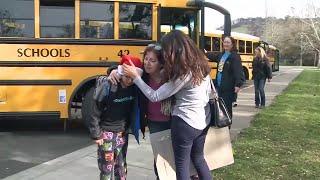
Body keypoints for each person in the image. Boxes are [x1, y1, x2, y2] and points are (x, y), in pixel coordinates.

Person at [122, 30, 213, 180]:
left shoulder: (184, 72)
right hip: (201, 121)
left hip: (184, 123)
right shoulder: (201, 66)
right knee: (199, 159)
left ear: (174, 49)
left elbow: (155, 95)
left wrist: (136, 78)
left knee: (181, 166)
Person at [108, 44, 171, 180]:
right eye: (146, 59)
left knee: (171, 160)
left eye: (152, 60)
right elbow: (126, 65)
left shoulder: (169, 76)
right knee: (159, 162)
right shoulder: (143, 75)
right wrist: (113, 70)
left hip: (171, 122)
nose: (147, 63)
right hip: (154, 122)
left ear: (161, 63)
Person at [88, 55, 143, 180]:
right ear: (120, 73)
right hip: (106, 133)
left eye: (132, 78)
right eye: (126, 77)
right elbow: (95, 110)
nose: (129, 80)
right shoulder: (108, 85)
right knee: (107, 168)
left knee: (121, 167)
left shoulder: (135, 87)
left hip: (122, 133)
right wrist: (96, 134)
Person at [206, 36, 245, 120]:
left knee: (227, 108)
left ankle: (227, 126)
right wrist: (204, 53)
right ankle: (222, 124)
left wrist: (238, 84)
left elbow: (238, 71)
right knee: (220, 107)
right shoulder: (222, 55)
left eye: (228, 42)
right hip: (220, 86)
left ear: (232, 44)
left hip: (229, 87)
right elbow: (213, 56)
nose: (225, 44)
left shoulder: (234, 56)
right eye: (224, 42)